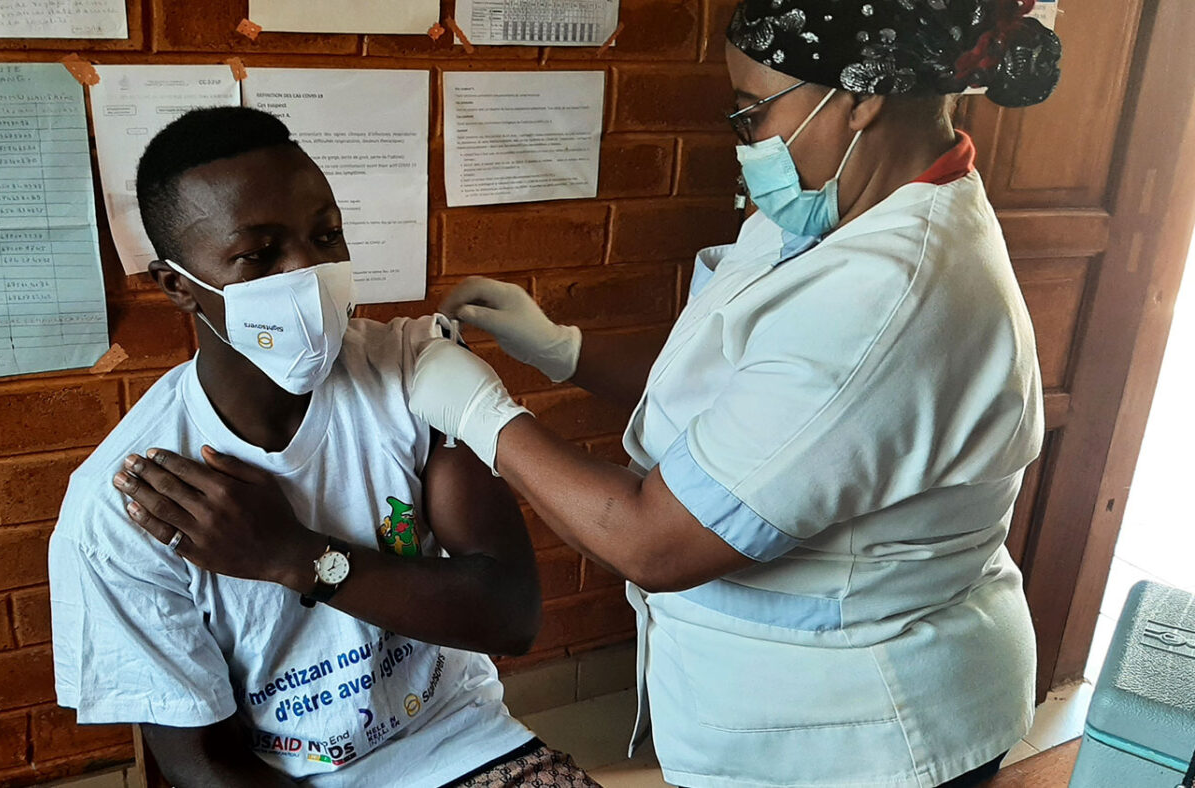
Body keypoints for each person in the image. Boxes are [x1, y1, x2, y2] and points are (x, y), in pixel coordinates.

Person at [401, 1, 1063, 786]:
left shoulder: (888, 294)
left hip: (864, 737)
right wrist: (564, 352)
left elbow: (655, 543)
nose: (745, 141)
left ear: (860, 96)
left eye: (752, 112)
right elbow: (740, 394)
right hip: (777, 711)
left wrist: (482, 415)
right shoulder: (826, 214)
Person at [48, 106, 598, 788]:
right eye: (261, 253)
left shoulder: (415, 376)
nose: (309, 272)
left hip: (460, 742)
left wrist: (295, 557)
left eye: (326, 235)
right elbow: (202, 763)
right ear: (178, 287)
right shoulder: (123, 506)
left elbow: (511, 616)